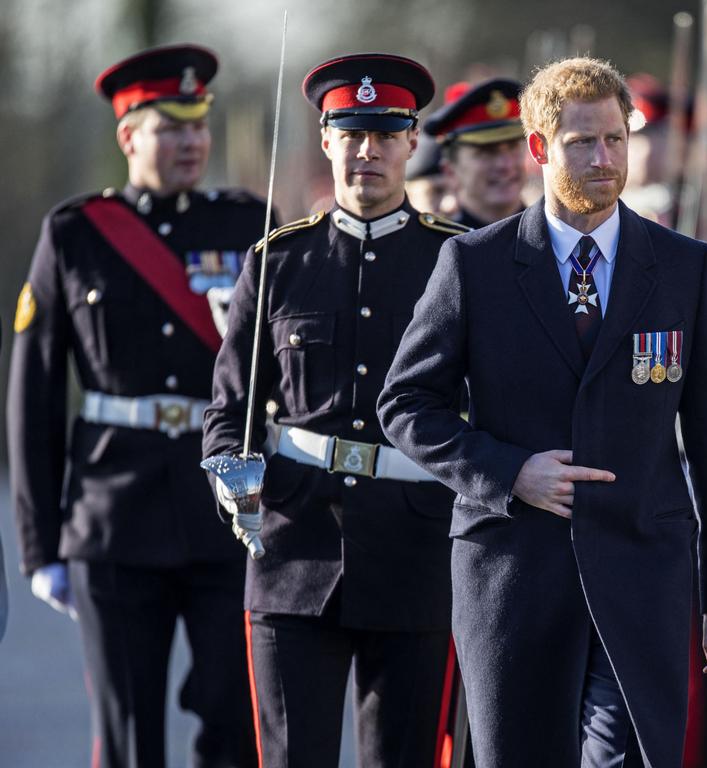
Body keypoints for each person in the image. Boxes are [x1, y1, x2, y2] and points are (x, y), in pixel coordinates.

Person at [378, 56, 707, 768]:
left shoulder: (683, 267)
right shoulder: (474, 267)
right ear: (541, 148)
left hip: (643, 574)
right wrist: (508, 471)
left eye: (616, 139)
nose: (605, 158)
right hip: (512, 579)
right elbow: (406, 403)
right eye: (584, 142)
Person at [6, 44, 269, 767]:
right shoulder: (76, 233)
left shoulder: (251, 224)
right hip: (111, 520)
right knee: (127, 737)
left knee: (235, 726)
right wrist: (41, 544)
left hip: (227, 515)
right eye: (170, 126)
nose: (191, 142)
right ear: (129, 137)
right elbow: (32, 400)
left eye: (199, 125)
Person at [203, 52, 468, 768]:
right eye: (350, 133)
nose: (367, 152)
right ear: (326, 140)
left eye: (386, 134)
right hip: (294, 548)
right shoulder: (278, 261)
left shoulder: (459, 263)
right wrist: (230, 470)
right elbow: (230, 404)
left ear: (414, 142)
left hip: (418, 554)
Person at [424, 77, 526, 228]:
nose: (505, 164)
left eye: (513, 147)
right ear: (450, 171)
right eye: (486, 152)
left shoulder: (560, 239)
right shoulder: (436, 247)